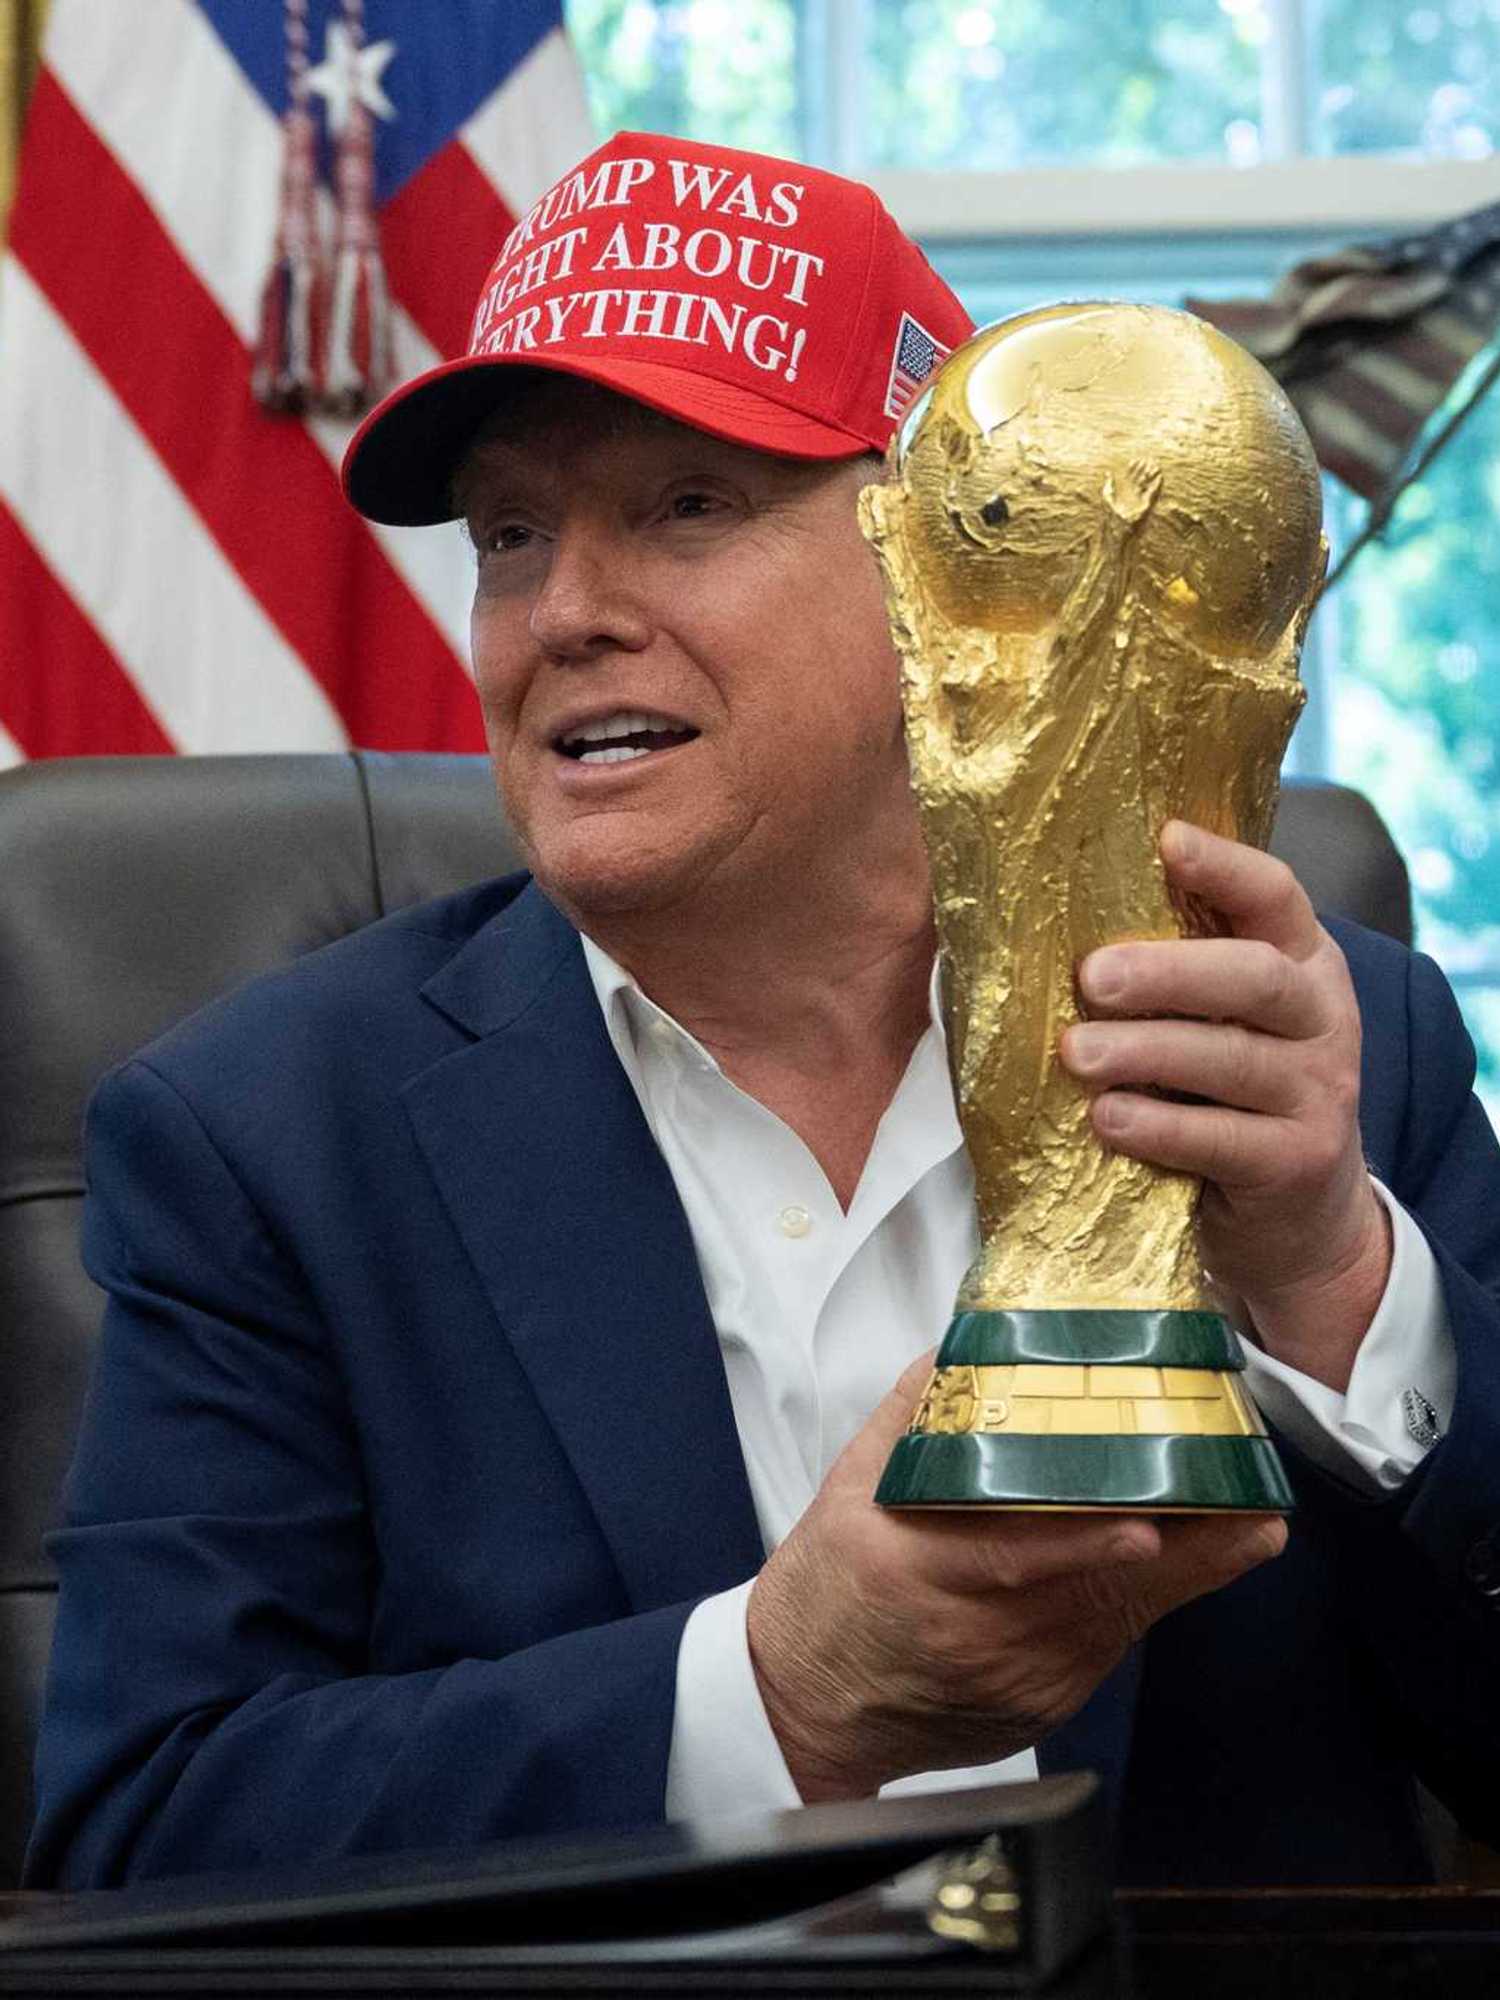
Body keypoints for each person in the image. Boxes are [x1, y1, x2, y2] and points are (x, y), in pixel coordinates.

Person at [25, 132, 1500, 1894]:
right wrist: (781, 1698)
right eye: (511, 534)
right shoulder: (265, 1135)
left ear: (949, 581)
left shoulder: (1328, 1049)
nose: (563, 615)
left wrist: (1341, 1286)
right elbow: (143, 1835)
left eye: (685, 508)